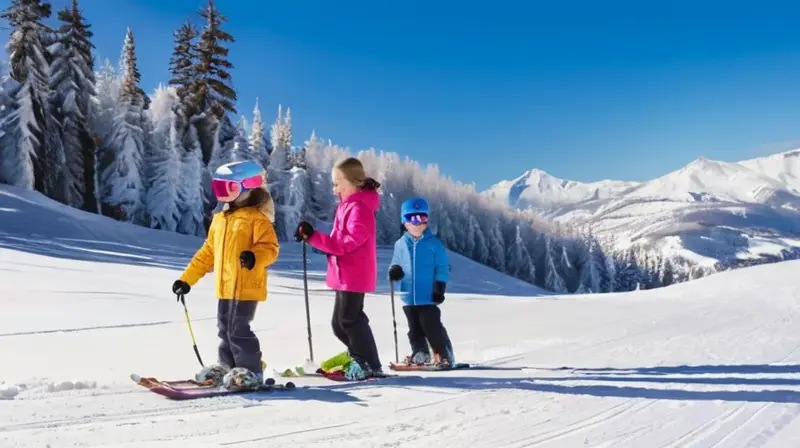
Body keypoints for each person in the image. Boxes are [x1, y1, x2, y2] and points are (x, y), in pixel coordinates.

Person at [171, 160, 279, 390]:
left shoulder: (257, 219)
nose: (222, 194)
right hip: (225, 287)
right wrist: (186, 279)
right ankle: (229, 368)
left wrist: (254, 256)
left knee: (238, 329)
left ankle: (250, 372)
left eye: (228, 188)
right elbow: (206, 253)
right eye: (219, 188)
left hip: (246, 286)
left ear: (248, 188)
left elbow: (270, 248)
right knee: (224, 329)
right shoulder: (220, 220)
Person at [294, 157, 383, 380]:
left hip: (355, 274)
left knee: (349, 320)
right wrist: (311, 235)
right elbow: (338, 239)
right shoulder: (348, 206)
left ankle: (367, 363)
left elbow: (347, 243)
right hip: (344, 273)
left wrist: (315, 237)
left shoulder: (360, 209)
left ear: (353, 181)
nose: (334, 189)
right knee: (339, 323)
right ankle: (362, 359)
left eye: (337, 183)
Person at [388, 197, 455, 367]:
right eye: (412, 218)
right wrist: (394, 271)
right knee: (414, 329)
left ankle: (443, 354)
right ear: (404, 221)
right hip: (408, 295)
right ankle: (420, 353)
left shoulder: (434, 244)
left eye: (422, 218)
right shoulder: (400, 244)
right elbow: (396, 263)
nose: (417, 223)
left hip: (428, 294)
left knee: (431, 326)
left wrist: (440, 286)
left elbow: (442, 267)